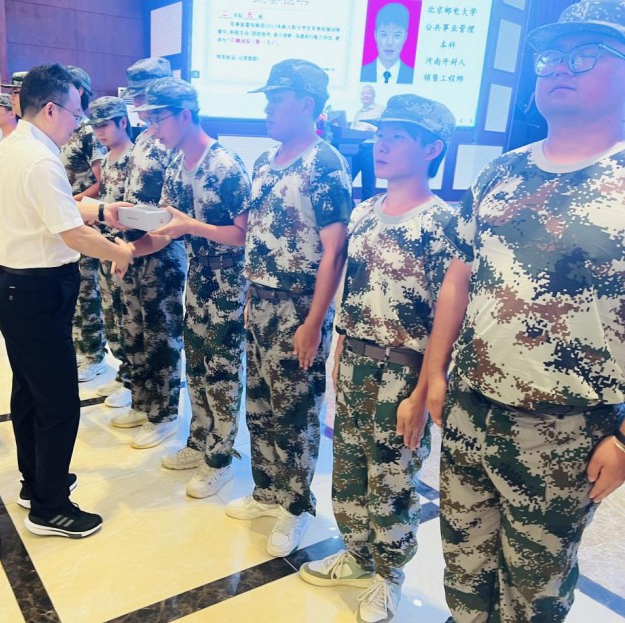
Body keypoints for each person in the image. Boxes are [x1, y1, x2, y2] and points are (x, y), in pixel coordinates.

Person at [423, 3, 625, 621]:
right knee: (463, 569)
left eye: (585, 55)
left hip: (567, 428)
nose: (560, 68)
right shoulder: (501, 173)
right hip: (470, 407)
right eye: (550, 57)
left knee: (533, 593)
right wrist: (434, 373)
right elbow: (459, 276)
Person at [299, 95, 456, 623]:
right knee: (347, 470)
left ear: (432, 149)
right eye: (379, 135)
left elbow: (447, 318)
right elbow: (356, 289)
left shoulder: (443, 223)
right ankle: (356, 555)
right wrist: (340, 347)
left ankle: (389, 576)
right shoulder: (365, 212)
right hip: (356, 363)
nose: (381, 145)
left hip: (403, 371)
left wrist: (422, 392)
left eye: (397, 137)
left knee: (392, 480)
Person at [0, 64, 133, 538]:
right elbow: (70, 232)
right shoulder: (41, 158)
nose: (79, 124)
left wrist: (102, 209)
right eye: (76, 114)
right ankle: (50, 508)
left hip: (16, 287)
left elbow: (55, 207)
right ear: (51, 109)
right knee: (58, 402)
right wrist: (118, 251)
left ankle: (36, 482)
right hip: (37, 290)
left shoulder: (15, 145)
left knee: (30, 393)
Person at [225, 59, 351, 557]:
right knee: (258, 403)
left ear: (307, 104)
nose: (268, 108)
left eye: (277, 99)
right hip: (258, 301)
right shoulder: (264, 160)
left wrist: (314, 323)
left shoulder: (325, 163)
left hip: (298, 307)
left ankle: (295, 506)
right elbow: (252, 232)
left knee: (295, 412)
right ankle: (267, 491)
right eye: (268, 99)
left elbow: (334, 251)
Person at [133, 77, 250, 497]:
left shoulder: (225, 165)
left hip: (229, 281)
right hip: (198, 276)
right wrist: (127, 250)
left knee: (222, 372)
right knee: (197, 366)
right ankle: (199, 442)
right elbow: (168, 230)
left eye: (158, 119)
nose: (152, 130)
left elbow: (244, 235)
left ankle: (220, 459)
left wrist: (191, 227)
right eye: (148, 121)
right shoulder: (175, 165)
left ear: (184, 114)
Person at [108, 57, 188, 451]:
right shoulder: (143, 138)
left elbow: (173, 207)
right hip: (134, 248)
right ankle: (142, 402)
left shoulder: (176, 142)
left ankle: (164, 413)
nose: (140, 104)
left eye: (145, 96)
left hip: (162, 252)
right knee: (134, 330)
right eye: (137, 96)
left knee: (161, 336)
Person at [60, 66, 110, 384]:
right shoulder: (65, 129)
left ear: (78, 91)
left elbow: (103, 180)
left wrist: (74, 200)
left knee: (88, 289)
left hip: (85, 220)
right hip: (66, 218)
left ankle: (94, 356)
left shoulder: (90, 132)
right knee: (74, 289)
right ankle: (80, 348)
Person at [89, 96, 135, 409]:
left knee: (128, 318)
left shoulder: (135, 158)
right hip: (106, 248)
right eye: (95, 127)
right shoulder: (106, 160)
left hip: (126, 249)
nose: (99, 132)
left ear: (122, 122)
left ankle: (133, 382)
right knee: (112, 316)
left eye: (104, 125)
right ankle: (122, 373)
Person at [360, 2, 414, 85]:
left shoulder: (413, 76)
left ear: (405, 37)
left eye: (397, 35)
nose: (389, 43)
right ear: (375, 35)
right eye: (384, 35)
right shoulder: (360, 73)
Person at [351, 85, 384, 200]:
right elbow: (352, 129)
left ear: (373, 95)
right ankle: (350, 207)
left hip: (371, 148)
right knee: (348, 179)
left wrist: (373, 129)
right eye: (363, 94)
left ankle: (366, 208)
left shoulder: (381, 110)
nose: (365, 96)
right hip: (357, 148)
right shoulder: (358, 113)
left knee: (368, 183)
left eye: (368, 93)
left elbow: (386, 129)